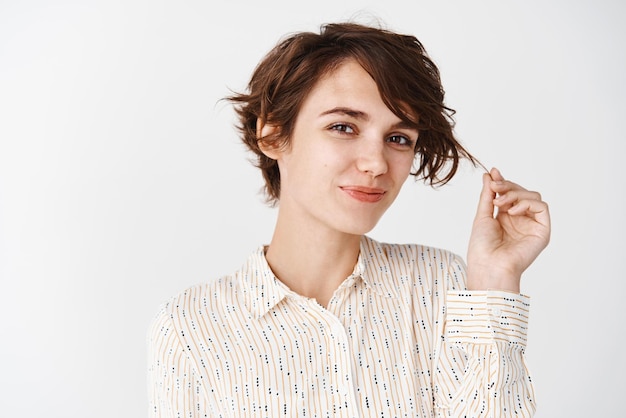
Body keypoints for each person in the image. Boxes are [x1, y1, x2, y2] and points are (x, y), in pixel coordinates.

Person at [147, 22, 550, 417]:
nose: (376, 163)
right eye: (343, 127)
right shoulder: (190, 328)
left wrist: (496, 281)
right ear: (272, 134)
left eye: (398, 139)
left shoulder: (440, 284)